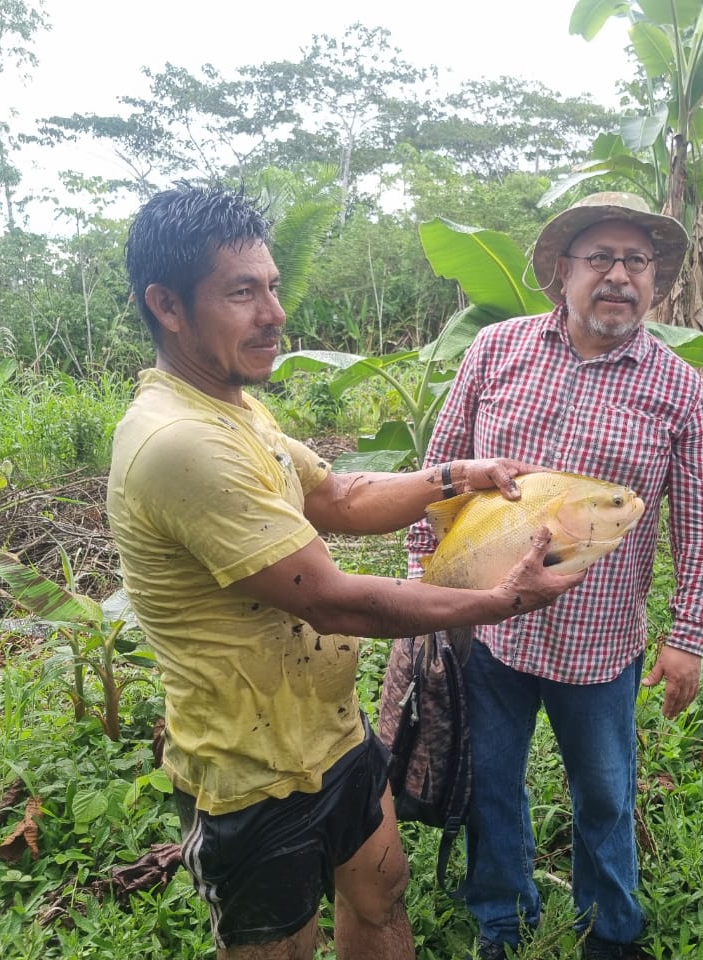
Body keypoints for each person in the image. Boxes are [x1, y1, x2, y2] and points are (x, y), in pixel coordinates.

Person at [107, 183, 586, 960]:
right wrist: (498, 600)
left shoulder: (235, 407)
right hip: (250, 773)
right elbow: (332, 602)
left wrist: (458, 475)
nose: (274, 312)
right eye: (241, 293)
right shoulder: (179, 442)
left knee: (382, 897)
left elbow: (337, 494)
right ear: (168, 305)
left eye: (272, 286)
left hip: (332, 735)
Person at [406, 192, 703, 960]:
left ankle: (609, 933)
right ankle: (502, 923)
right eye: (601, 258)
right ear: (562, 270)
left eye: (637, 262)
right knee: (490, 784)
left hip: (600, 641)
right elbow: (441, 469)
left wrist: (689, 635)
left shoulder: (681, 387)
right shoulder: (497, 350)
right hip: (491, 627)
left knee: (606, 795)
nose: (620, 276)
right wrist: (422, 577)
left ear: (656, 280)